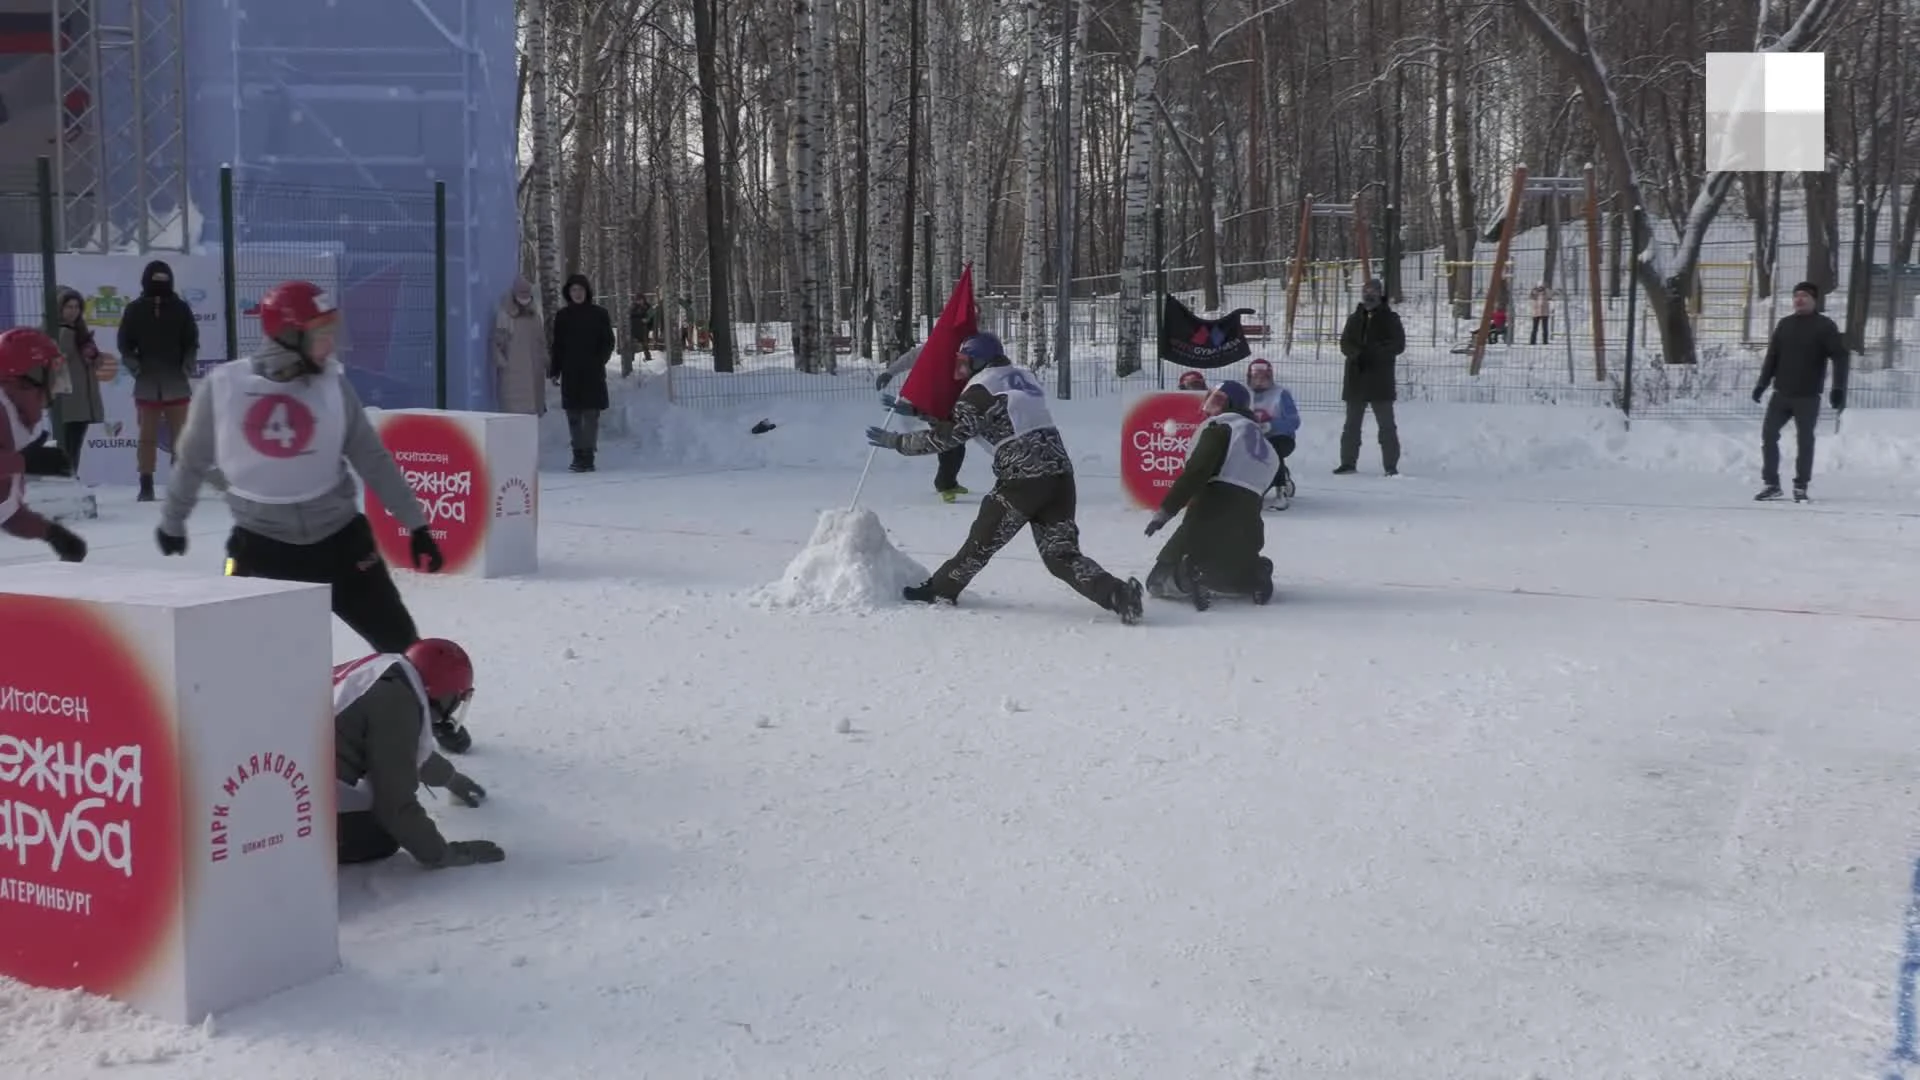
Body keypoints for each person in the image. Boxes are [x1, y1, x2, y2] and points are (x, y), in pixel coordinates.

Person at [154, 282, 456, 745]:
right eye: (320, 332)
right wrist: (173, 521)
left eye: (332, 331)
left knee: (398, 641)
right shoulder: (227, 387)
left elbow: (371, 458)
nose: (330, 343)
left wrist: (416, 525)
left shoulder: (333, 385)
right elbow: (192, 457)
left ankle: (429, 719)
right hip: (261, 548)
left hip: (341, 543)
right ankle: (242, 736)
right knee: (244, 651)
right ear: (288, 336)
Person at [866, 332, 1145, 623]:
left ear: (980, 361)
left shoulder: (979, 390)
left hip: (1023, 479)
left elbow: (951, 436)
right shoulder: (1020, 376)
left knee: (981, 542)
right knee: (1061, 555)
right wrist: (922, 412)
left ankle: (940, 590)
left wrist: (897, 442)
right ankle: (1119, 594)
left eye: (964, 361)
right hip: (1060, 475)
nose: (959, 368)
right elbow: (985, 417)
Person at [332, 639, 501, 868]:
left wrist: (450, 778)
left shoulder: (384, 673)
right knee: (382, 834)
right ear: (444, 692)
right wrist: (444, 854)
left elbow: (398, 750)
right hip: (292, 805)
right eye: (456, 698)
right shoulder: (396, 703)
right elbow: (394, 805)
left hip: (284, 770)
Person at [1143, 380, 1277, 609]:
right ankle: (1255, 575)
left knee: (1156, 581)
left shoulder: (1221, 427)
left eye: (1218, 400)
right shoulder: (1268, 448)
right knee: (1227, 576)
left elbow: (1197, 472)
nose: (1211, 406)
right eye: (1211, 399)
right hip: (1249, 523)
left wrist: (1165, 511)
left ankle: (1187, 577)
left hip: (1209, 511)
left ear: (1232, 404)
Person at [1751, 280, 1849, 502]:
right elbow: (1772, 357)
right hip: (1781, 394)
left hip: (1807, 396)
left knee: (1805, 440)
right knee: (1768, 435)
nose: (1799, 299)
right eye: (1796, 296)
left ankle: (1801, 486)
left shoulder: (1825, 326)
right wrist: (1762, 384)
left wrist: (1838, 388)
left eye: (1804, 296)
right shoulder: (1785, 325)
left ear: (1814, 300)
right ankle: (1772, 484)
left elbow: (1840, 357)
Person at [0, 328, 88, 562]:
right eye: (50, 373)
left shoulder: (15, 415)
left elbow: (5, 511)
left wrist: (51, 534)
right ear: (31, 375)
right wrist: (24, 461)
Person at [116, 259, 199, 502]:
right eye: (156, 280)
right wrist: (135, 367)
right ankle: (146, 483)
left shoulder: (181, 308)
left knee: (181, 436)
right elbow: (125, 344)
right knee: (147, 436)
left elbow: (191, 341)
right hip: (147, 382)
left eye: (164, 280)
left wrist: (187, 366)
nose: (160, 285)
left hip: (176, 381)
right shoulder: (134, 309)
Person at [877, 342, 969, 502]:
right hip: (934, 402)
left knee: (959, 445)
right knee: (947, 444)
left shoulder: (966, 348)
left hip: (955, 402)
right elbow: (910, 358)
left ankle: (950, 482)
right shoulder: (939, 343)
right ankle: (944, 484)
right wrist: (889, 373)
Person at [1335, 277, 1406, 476]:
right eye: (1366, 291)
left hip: (1380, 381)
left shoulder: (1391, 319)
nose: (1369, 295)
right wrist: (1357, 355)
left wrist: (1375, 353)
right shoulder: (1354, 318)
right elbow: (1344, 344)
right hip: (1356, 379)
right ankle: (1348, 463)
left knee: (1386, 427)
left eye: (1373, 291)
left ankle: (1391, 466)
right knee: (1351, 426)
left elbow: (1398, 345)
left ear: (1380, 294)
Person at [549, 273, 614, 473]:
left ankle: (588, 455)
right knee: (574, 415)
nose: (577, 294)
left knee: (591, 414)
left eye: (581, 290)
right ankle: (578, 454)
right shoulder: (562, 316)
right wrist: (555, 370)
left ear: (587, 292)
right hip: (571, 372)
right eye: (574, 290)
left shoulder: (599, 314)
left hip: (593, 372)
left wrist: (598, 361)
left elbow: (608, 341)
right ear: (568, 293)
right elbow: (557, 346)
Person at [43, 286, 106, 474]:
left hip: (84, 399)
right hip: (66, 398)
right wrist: (68, 334)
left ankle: (71, 478)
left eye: (77, 307)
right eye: (68, 307)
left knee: (75, 446)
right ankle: (65, 481)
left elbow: (97, 362)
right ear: (59, 309)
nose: (73, 311)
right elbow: (57, 358)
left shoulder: (80, 331)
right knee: (65, 447)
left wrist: (94, 355)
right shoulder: (54, 330)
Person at [1245, 358, 1299, 509]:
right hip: (1250, 437)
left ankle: (1280, 492)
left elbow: (1294, 422)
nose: (1259, 382)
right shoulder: (1244, 393)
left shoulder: (1281, 394)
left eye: (1264, 378)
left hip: (1279, 438)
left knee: (1272, 450)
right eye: (1256, 378)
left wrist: (1271, 425)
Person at [492, 276, 546, 416]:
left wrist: (544, 359)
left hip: (534, 370)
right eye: (521, 294)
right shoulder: (505, 315)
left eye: (527, 294)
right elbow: (497, 343)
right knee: (514, 413)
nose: (524, 298)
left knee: (531, 410)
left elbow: (541, 341)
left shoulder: (535, 316)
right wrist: (503, 363)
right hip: (513, 374)